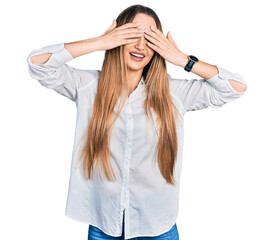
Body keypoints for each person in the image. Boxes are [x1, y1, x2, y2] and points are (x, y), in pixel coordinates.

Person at [26, 4, 248, 240]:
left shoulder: (175, 93)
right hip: (104, 225)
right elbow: (38, 64)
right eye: (132, 35)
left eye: (150, 39)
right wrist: (100, 42)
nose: (141, 45)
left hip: (157, 227)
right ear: (117, 38)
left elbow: (235, 88)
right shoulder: (87, 85)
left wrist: (183, 59)